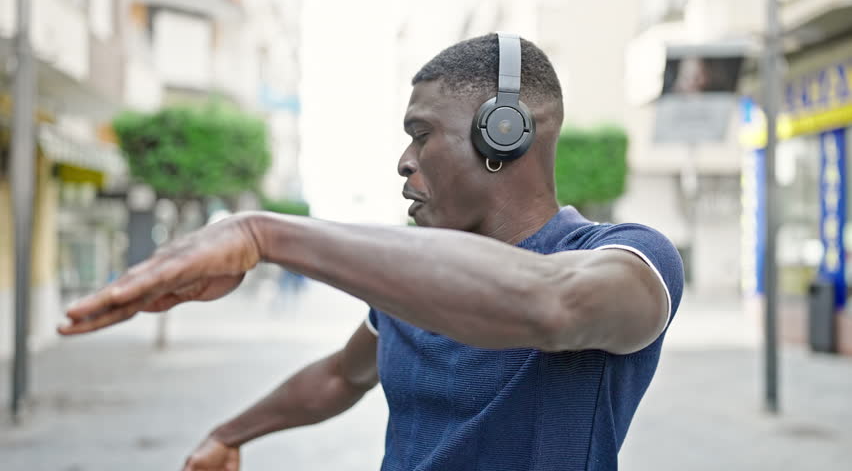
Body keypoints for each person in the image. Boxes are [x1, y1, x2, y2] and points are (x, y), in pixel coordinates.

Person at [59, 33, 683, 471]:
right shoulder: (416, 277)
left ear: (505, 131)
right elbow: (340, 375)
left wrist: (262, 235)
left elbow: (550, 305)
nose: (404, 160)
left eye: (422, 134)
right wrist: (228, 435)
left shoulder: (629, 257)